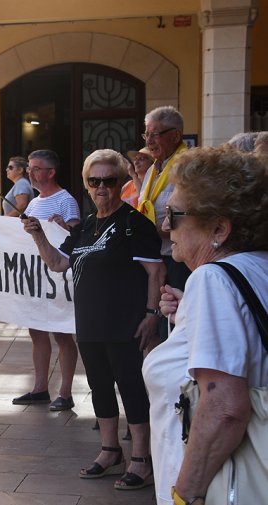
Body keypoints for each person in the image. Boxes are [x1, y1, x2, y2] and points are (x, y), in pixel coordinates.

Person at [23, 149, 164, 490]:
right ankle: (109, 450)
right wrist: (38, 235)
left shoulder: (134, 225)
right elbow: (59, 265)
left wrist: (151, 314)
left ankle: (142, 460)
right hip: (89, 322)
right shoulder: (86, 225)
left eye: (109, 180)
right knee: (100, 386)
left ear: (120, 183)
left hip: (125, 321)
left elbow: (156, 271)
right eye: (94, 181)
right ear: (86, 185)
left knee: (130, 386)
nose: (102, 187)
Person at [143, 147, 268, 505]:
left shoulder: (212, 280)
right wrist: (190, 316)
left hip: (220, 487)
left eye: (174, 214)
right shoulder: (254, 268)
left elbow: (225, 406)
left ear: (219, 228)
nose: (166, 226)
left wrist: (184, 495)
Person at [13, 149, 81, 411]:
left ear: (50, 172)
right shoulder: (33, 203)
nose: (30, 172)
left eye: (36, 168)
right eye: (29, 167)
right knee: (37, 331)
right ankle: (40, 388)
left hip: (58, 277)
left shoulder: (66, 200)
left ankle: (65, 392)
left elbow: (74, 237)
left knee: (62, 334)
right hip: (36, 277)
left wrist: (64, 226)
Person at [138, 106, 191, 296]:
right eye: (146, 135)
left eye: (155, 134)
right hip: (153, 256)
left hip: (178, 259)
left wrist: (150, 231)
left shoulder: (187, 167)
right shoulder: (154, 168)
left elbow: (188, 218)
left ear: (175, 136)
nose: (149, 141)